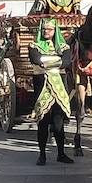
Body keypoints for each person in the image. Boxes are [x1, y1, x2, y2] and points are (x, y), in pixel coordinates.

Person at [29, 18, 75, 166]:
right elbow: (36, 60)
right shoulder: (34, 46)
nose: (46, 31)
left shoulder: (64, 47)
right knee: (42, 122)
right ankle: (42, 154)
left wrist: (45, 61)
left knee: (58, 123)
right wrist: (56, 61)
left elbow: (66, 62)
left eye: (49, 29)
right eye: (44, 29)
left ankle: (61, 154)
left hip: (59, 90)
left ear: (55, 31)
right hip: (42, 89)